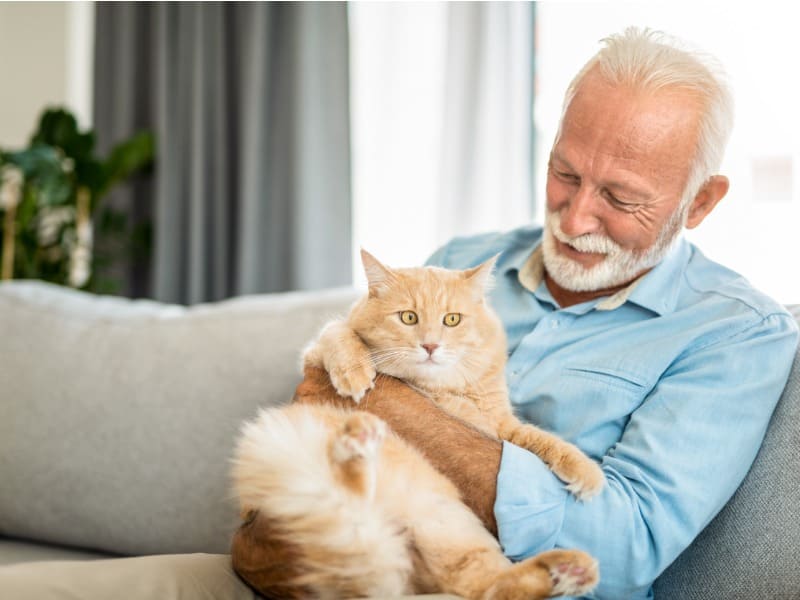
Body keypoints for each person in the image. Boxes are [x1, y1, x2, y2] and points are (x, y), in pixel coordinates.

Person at [282, 27, 799, 599]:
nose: (574, 220)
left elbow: (623, 550)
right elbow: (315, 411)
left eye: (621, 198)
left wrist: (387, 405)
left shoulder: (736, 333)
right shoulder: (460, 264)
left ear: (699, 202)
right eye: (565, 174)